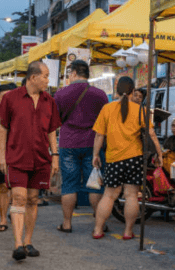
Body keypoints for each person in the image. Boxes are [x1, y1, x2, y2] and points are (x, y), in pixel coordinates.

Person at [0, 61, 61, 261]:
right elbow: (3, 129)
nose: (47, 80)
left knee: (33, 199)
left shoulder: (49, 100)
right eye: (45, 76)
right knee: (19, 198)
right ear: (33, 77)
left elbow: (51, 131)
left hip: (41, 158)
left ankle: (28, 241)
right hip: (16, 157)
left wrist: (55, 156)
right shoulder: (11, 98)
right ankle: (17, 244)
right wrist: (2, 156)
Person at [92, 77, 163, 240]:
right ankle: (128, 232)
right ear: (132, 91)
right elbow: (151, 135)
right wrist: (159, 153)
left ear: (117, 90)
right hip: (134, 158)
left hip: (113, 158)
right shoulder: (140, 110)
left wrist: (95, 155)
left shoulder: (107, 109)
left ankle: (97, 230)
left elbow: (99, 135)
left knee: (109, 195)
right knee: (132, 195)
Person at [54, 60, 108, 233]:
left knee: (69, 184)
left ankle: (67, 223)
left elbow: (56, 120)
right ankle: (99, 224)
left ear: (74, 73)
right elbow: (105, 121)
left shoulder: (61, 94)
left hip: (68, 143)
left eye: (69, 73)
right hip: (93, 145)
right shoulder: (100, 95)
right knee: (94, 184)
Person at [0, 83, 17, 232]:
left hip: (19, 153)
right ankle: (3, 219)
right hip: (1, 154)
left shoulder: (22, 111)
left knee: (18, 188)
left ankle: (15, 214)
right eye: (4, 97)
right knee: (2, 187)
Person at [131, 88, 164, 162]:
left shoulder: (143, 111)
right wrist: (159, 153)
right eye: (135, 95)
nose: (137, 98)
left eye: (140, 97)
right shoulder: (125, 110)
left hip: (138, 149)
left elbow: (151, 133)